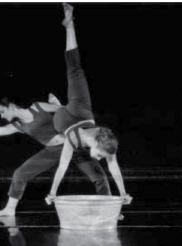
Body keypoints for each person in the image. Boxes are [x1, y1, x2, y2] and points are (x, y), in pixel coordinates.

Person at [0, 93, 112, 216]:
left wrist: (56, 104)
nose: (2, 116)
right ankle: (10, 209)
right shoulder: (18, 125)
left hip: (73, 145)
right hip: (52, 152)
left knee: (100, 178)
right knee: (20, 174)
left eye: (3, 111)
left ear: (11, 106)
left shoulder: (38, 107)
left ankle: (108, 211)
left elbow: (65, 111)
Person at [45, 3, 132, 205]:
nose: (100, 158)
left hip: (70, 119)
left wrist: (123, 194)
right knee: (75, 68)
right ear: (96, 144)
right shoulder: (83, 140)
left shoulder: (103, 142)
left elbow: (114, 168)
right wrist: (52, 193)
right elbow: (63, 167)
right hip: (76, 113)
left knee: (73, 78)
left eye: (101, 156)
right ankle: (69, 25)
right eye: (100, 155)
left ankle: (58, 105)